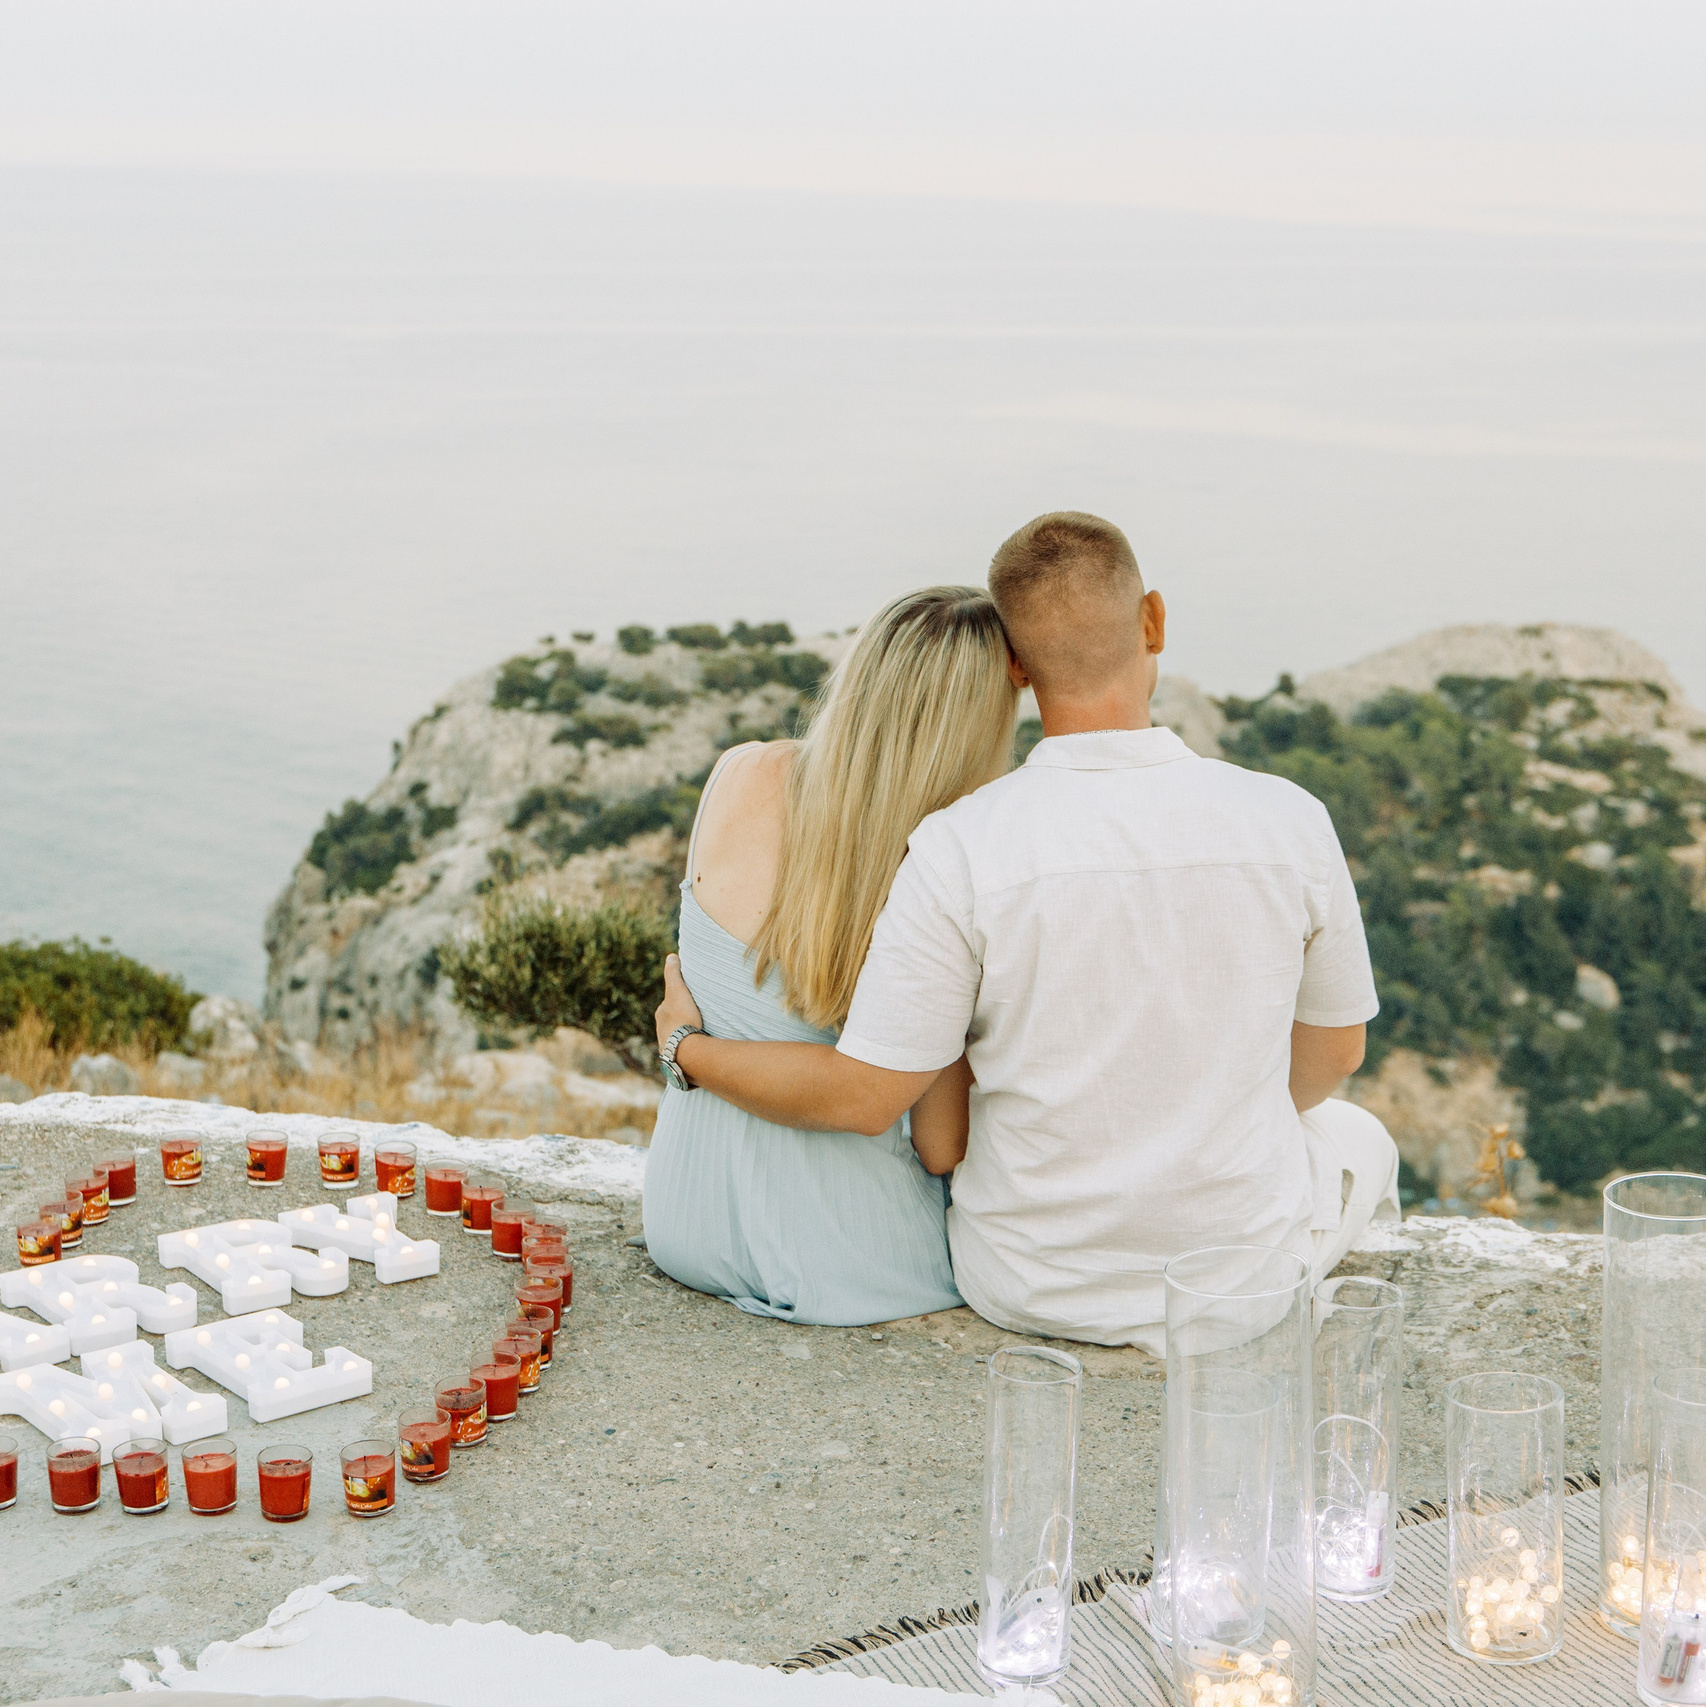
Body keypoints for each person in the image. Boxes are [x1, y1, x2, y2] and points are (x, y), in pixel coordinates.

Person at [655, 511, 1400, 1352]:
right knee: (1361, 1139)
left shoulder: (955, 844)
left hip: (1016, 1278)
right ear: (1152, 618)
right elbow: (1336, 1053)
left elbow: (890, 1105)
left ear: (1018, 661)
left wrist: (680, 1043)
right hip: (1226, 1289)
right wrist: (1205, 1119)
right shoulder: (1291, 819)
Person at [641, 585, 1018, 1325]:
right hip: (852, 1259)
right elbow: (942, 1145)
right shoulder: (936, 869)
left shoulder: (737, 772)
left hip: (684, 1220)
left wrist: (680, 1044)